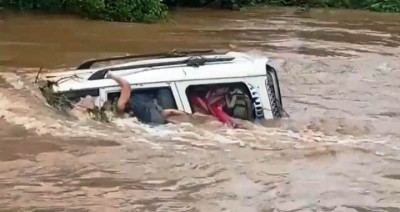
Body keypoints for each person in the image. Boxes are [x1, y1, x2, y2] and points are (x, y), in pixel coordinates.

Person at [106, 72, 189, 125]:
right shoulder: (156, 110)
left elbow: (126, 86)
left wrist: (110, 75)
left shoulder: (122, 107)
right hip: (162, 128)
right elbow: (170, 112)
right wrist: (189, 116)